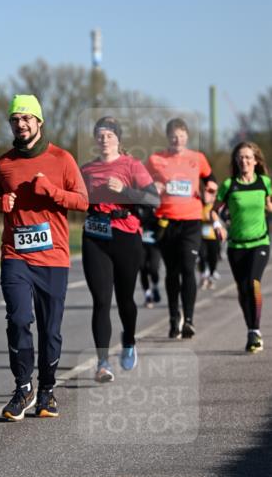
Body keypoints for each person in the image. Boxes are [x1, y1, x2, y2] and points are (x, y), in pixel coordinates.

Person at [0, 94, 88, 420]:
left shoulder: (62, 159)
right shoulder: (2, 164)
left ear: (39, 122)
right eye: (16, 119)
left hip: (53, 257)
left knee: (50, 329)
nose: (21, 124)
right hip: (15, 253)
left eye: (27, 118)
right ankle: (22, 388)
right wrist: (0, 203)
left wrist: (52, 192)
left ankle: (47, 390)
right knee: (18, 319)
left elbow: (83, 201)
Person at [80, 117, 160, 383]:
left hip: (126, 235)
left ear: (118, 139)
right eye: (100, 135)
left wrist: (125, 191)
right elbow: (75, 198)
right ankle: (102, 363)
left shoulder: (131, 165)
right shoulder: (86, 169)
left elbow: (154, 199)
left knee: (125, 298)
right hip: (95, 235)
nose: (104, 139)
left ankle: (129, 340)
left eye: (109, 135)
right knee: (101, 300)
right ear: (95, 138)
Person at [146, 119, 217, 339]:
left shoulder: (197, 158)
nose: (178, 140)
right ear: (168, 137)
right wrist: (152, 187)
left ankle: (189, 320)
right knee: (172, 272)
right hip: (166, 222)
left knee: (188, 267)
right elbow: (140, 183)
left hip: (191, 221)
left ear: (187, 137)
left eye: (182, 136)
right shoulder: (155, 159)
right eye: (174, 136)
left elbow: (211, 180)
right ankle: (173, 317)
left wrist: (210, 192)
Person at [212, 141, 272, 353]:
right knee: (243, 289)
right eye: (240, 157)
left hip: (260, 242)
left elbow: (270, 205)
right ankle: (251, 329)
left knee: (253, 283)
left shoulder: (264, 182)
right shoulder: (229, 185)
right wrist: (217, 225)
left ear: (255, 161)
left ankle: (255, 331)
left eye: (248, 157)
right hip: (236, 245)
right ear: (236, 161)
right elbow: (214, 210)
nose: (244, 161)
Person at [138, 205, 162, 308]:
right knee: (142, 268)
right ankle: (147, 295)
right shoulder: (138, 207)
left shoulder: (157, 206)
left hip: (155, 244)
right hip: (140, 243)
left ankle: (155, 286)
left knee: (153, 268)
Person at [198, 187, 221, 289]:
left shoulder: (216, 206)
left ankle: (211, 275)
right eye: (206, 194)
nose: (207, 196)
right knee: (202, 256)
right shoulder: (200, 205)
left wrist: (212, 220)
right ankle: (203, 276)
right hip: (201, 236)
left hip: (213, 236)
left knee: (213, 258)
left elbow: (222, 218)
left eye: (211, 194)